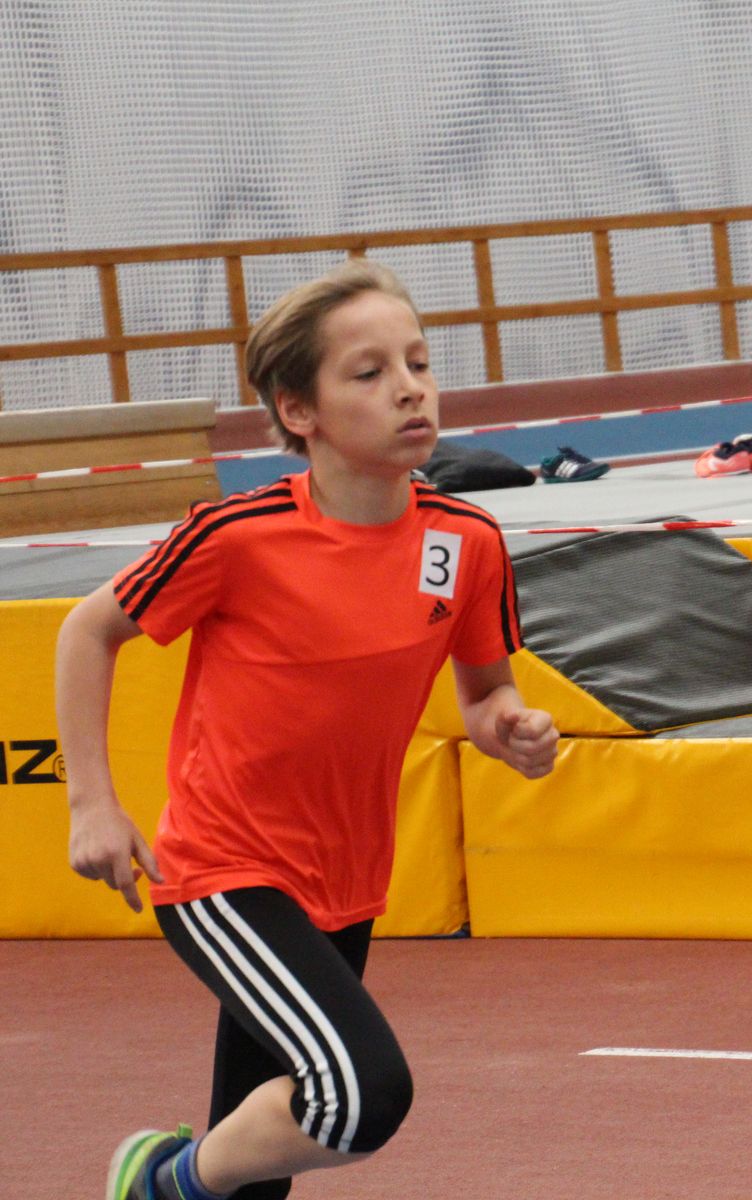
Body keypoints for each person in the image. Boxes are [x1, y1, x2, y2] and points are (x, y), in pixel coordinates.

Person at [60, 260, 560, 1200]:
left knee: (266, 1163)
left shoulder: (465, 542)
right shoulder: (235, 537)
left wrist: (511, 726)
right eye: (369, 373)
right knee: (358, 1095)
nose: (409, 388)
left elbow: (485, 692)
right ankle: (160, 1180)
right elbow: (88, 631)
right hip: (224, 873)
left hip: (347, 880)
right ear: (299, 411)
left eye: (419, 363)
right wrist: (94, 804)